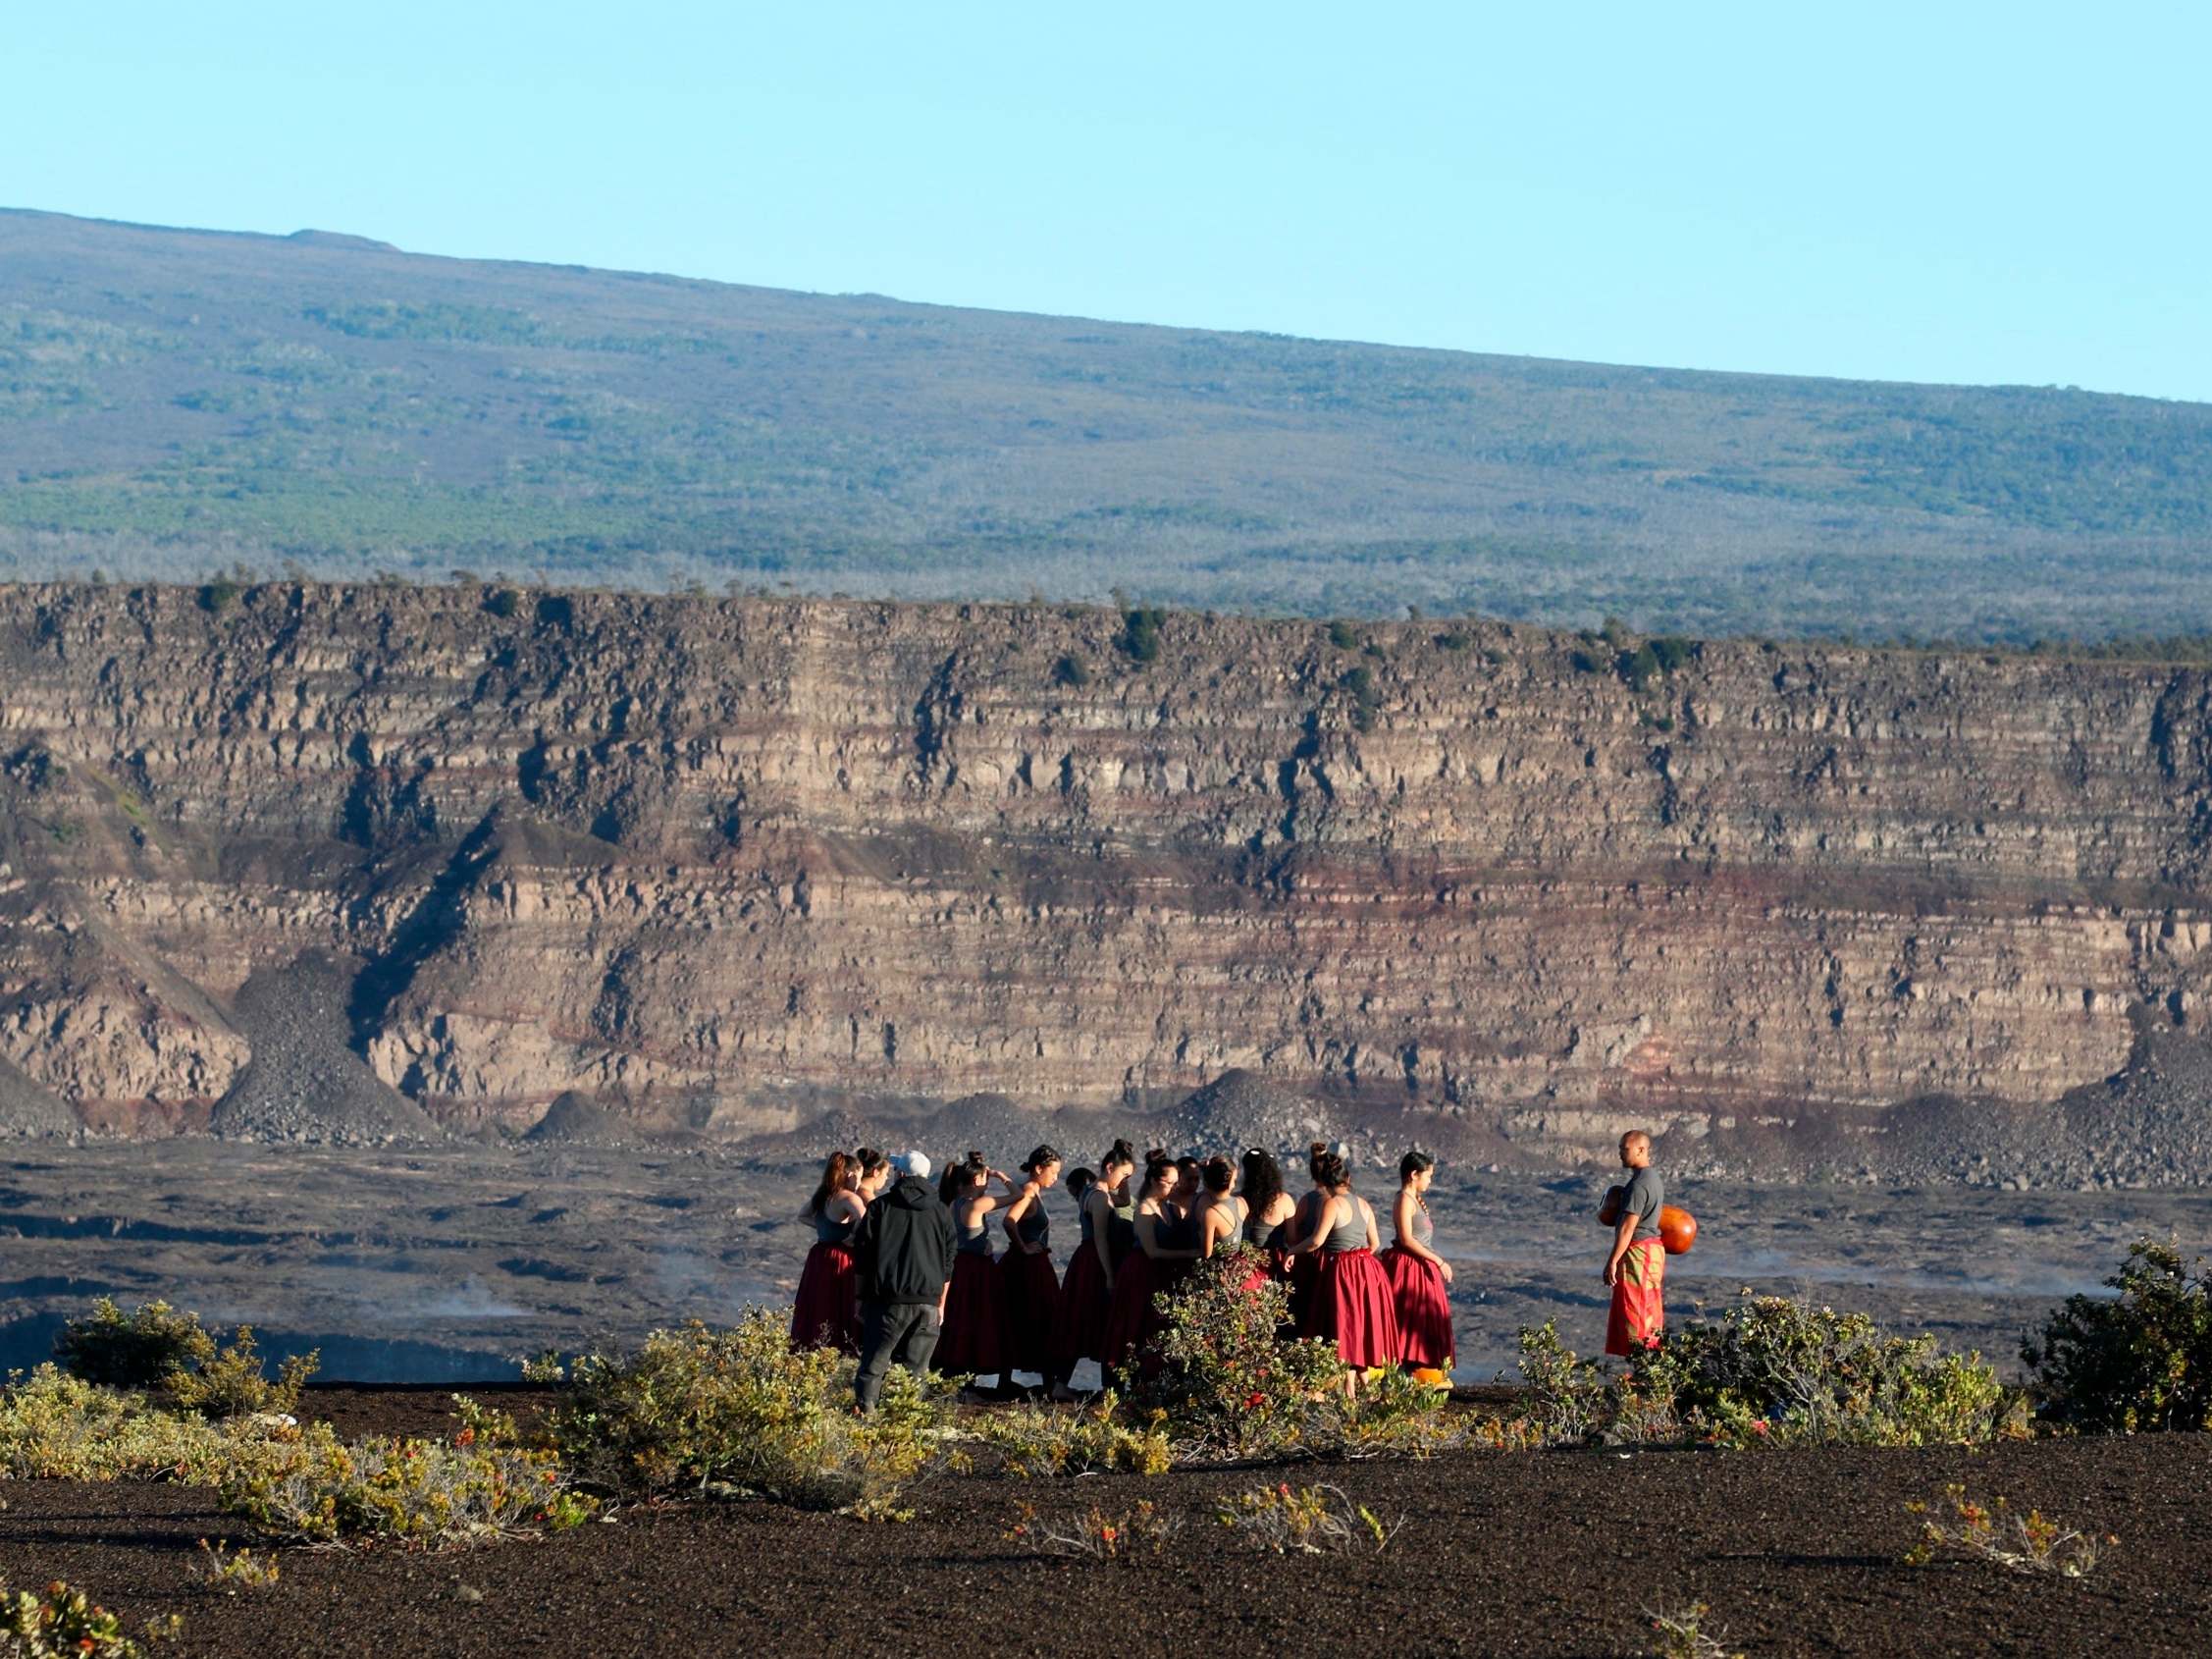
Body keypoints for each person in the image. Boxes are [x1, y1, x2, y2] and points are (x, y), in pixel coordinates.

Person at [852, 1150, 956, 1413]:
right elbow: (948, 1264)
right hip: (929, 1303)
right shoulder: (942, 1212)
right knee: (917, 1373)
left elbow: (862, 1258)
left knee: (873, 1367)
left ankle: (867, 1422)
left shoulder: (880, 1208)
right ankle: (904, 1426)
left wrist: (859, 1298)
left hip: (888, 1301)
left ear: (900, 1174)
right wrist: (940, 1304)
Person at [1290, 1144, 1399, 1376]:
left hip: (1343, 1270)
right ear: (1347, 1178)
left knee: (1344, 1327)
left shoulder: (1331, 1204)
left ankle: (1348, 1389)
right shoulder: (1363, 1203)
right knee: (1361, 1327)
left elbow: (1316, 1241)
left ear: (1325, 1182)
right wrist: (1360, 1259)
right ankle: (1363, 1387)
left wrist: (1292, 1252)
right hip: (1369, 1270)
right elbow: (1375, 1244)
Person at [1102, 1150, 1201, 1372]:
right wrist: (1191, 1254)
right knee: (1134, 1325)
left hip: (1158, 1274)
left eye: (1177, 1182)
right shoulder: (1145, 1209)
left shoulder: (1166, 1206)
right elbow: (1152, 1251)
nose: (1175, 1188)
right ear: (1155, 1181)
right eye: (1170, 1183)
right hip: (1141, 1273)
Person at [1054, 1139, 1135, 1396]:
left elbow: (1123, 1199)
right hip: (1096, 1264)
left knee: (1086, 1320)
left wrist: (1125, 1178)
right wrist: (1110, 1276)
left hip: (1089, 1261)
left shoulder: (1094, 1192)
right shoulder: (1099, 1198)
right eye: (1122, 1174)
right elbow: (1100, 1238)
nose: (1124, 1181)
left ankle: (1077, 1384)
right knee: (1098, 1320)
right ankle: (1108, 1387)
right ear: (1109, 1167)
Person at [790, 1147, 887, 1352]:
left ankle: (813, 1348)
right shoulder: (849, 1198)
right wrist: (849, 1236)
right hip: (841, 1258)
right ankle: (842, 1347)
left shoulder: (823, 1194)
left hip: (819, 1255)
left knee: (819, 1304)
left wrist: (826, 1230)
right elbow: (866, 1221)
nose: (859, 1183)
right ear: (851, 1175)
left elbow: (802, 1215)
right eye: (859, 1178)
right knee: (840, 1305)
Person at [934, 1151, 1015, 1392]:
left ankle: (955, 1380)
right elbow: (1017, 1195)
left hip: (958, 1265)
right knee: (978, 1320)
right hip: (977, 1270)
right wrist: (1002, 1176)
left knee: (959, 1320)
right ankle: (969, 1382)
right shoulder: (977, 1204)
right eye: (985, 1179)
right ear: (978, 1180)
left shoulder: (952, 1203)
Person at [1379, 1149, 1454, 1370]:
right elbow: (1406, 1239)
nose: (1430, 1181)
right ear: (1414, 1175)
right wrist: (1439, 1261)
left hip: (1420, 1267)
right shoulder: (1404, 1199)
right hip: (1408, 1268)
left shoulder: (1415, 1200)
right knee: (1407, 1324)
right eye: (1428, 1175)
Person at [998, 1145, 1064, 1391]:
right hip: (1026, 1267)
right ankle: (1047, 1383)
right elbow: (1009, 1221)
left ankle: (1016, 1381)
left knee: (1028, 1316)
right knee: (1033, 1315)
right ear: (1039, 1169)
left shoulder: (1035, 1191)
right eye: (1053, 1172)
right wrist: (1024, 1248)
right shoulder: (1028, 1191)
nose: (1056, 1178)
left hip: (1032, 1263)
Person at [1604, 1130, 1667, 1357]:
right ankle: (1649, 1368)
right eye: (1620, 1148)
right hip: (1650, 1252)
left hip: (1639, 1252)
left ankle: (1644, 1366)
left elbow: (1628, 1227)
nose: (1620, 1153)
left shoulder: (1640, 1184)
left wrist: (1613, 1260)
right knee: (1647, 1308)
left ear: (1641, 1150)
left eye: (1625, 1149)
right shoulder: (1652, 1179)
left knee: (1636, 1310)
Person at [1195, 1155, 1246, 1258]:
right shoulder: (1242, 1202)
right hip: (1237, 1266)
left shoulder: (1210, 1213)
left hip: (1217, 1268)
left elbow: (1206, 1254)